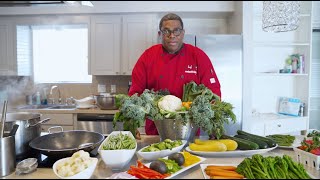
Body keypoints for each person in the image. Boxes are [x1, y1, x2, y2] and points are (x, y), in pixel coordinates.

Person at [129, 13, 221, 135]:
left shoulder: (198, 56)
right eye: (166, 31)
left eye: (176, 31)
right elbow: (135, 93)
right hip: (156, 130)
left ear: (183, 33)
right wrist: (133, 120)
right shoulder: (148, 57)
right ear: (160, 34)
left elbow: (213, 92)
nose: (172, 36)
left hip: (189, 129)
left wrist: (214, 124)